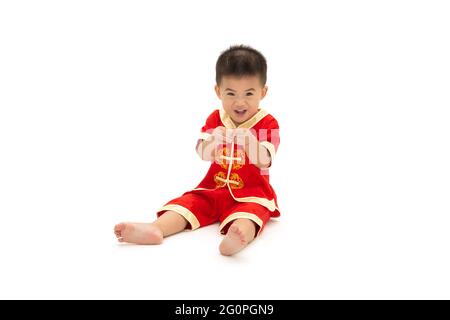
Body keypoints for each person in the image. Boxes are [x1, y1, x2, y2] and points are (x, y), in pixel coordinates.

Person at [114, 44, 280, 256]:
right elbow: (202, 153)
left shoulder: (268, 123)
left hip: (252, 194)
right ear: (218, 91)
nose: (240, 102)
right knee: (188, 203)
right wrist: (213, 141)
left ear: (263, 92)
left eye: (249, 93)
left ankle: (239, 237)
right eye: (231, 93)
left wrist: (250, 143)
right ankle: (157, 228)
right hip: (212, 188)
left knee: (251, 214)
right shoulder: (215, 119)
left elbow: (265, 159)